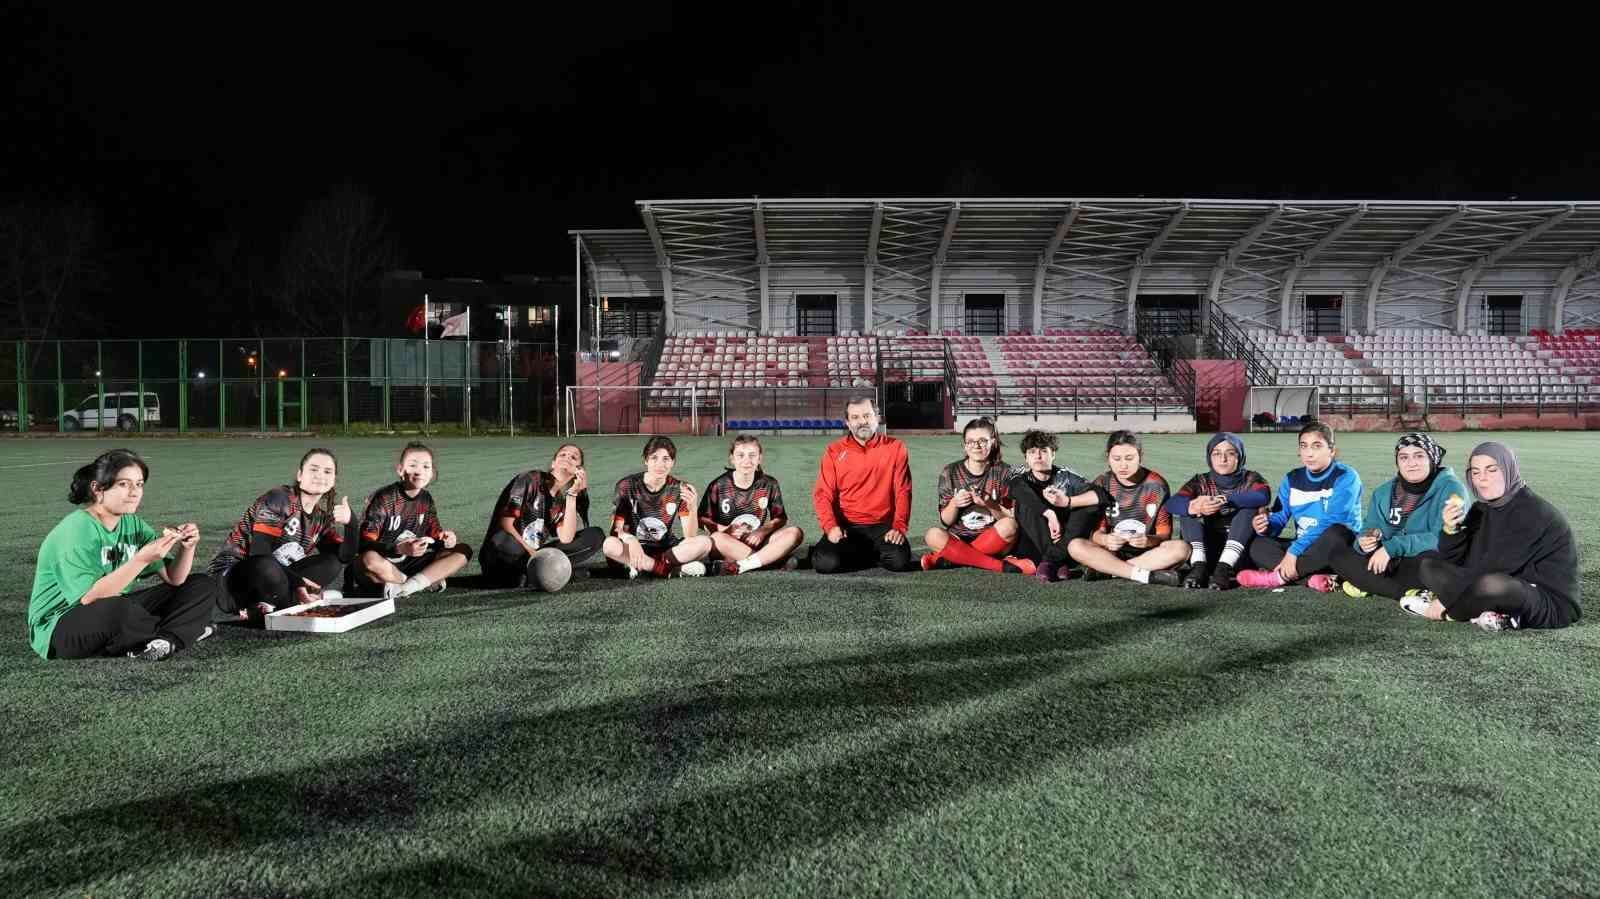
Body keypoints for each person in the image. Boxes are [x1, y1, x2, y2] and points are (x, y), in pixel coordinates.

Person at [28, 449, 216, 661]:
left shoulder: (132, 524)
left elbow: (174, 578)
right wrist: (142, 559)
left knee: (201, 584)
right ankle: (183, 631)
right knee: (121, 611)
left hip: (114, 606)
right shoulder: (76, 530)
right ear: (97, 488)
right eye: (123, 484)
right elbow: (89, 598)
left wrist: (187, 547)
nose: (134, 492)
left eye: (139, 484)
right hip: (62, 625)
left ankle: (164, 641)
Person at [1402, 441, 1580, 632]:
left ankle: (1450, 613)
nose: (1482, 479)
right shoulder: (1481, 508)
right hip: (1493, 579)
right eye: (1475, 472)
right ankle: (1493, 613)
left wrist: (1446, 602)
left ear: (1508, 470)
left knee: (1493, 585)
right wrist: (1451, 528)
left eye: (1492, 470)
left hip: (1543, 598)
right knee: (1429, 565)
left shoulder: (1534, 512)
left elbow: (1496, 566)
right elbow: (1454, 558)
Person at [207, 448, 353, 621]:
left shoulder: (321, 517)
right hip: (232, 581)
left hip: (276, 580)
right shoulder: (280, 498)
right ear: (300, 475)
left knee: (331, 563)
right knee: (266, 566)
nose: (320, 475)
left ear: (333, 480)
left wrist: (351, 522)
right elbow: (259, 553)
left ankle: (269, 607)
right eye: (314, 469)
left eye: (327, 472)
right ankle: (294, 602)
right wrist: (298, 582)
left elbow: (344, 557)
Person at [1318, 433, 1465, 599]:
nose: (1411, 463)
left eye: (1419, 456)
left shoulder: (1451, 488)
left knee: (1431, 564)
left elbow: (1442, 539)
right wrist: (1366, 540)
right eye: (1404, 457)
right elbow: (1369, 527)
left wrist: (1391, 548)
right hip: (1388, 561)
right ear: (1398, 462)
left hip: (1423, 560)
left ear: (1432, 459)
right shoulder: (1383, 492)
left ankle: (1367, 583)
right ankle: (1409, 594)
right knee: (1339, 556)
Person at [1236, 421, 1363, 590]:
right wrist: (1265, 526)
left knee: (1338, 533)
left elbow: (1334, 520)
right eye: (1304, 446)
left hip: (1336, 548)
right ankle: (1311, 579)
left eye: (1316, 446)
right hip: (1306, 550)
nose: (1309, 453)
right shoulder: (1292, 478)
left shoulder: (1346, 476)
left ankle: (1278, 577)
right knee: (1258, 545)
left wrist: (1294, 551)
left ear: (1332, 451)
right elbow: (1279, 519)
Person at [349, 442, 474, 600]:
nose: (419, 471)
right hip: (385, 563)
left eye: (426, 466)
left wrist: (446, 540)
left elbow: (435, 537)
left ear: (432, 473)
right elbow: (364, 543)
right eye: (413, 465)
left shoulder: (426, 499)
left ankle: (408, 587)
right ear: (400, 470)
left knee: (463, 550)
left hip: (412, 562)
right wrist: (398, 548)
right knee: (368, 560)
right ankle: (422, 581)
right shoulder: (385, 497)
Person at [809, 394, 918, 574]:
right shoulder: (834, 451)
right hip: (846, 526)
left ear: (877, 418)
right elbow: (823, 494)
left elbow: (903, 491)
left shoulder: (896, 447)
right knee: (826, 564)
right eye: (855, 417)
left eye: (867, 415)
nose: (862, 422)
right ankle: (865, 553)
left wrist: (899, 527)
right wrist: (831, 527)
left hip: (882, 526)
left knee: (899, 561)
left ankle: (856, 553)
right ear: (847, 422)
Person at [1068, 430, 1187, 585]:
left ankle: (1108, 570)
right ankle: (1145, 575)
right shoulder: (1102, 483)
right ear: (1108, 457)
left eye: (1129, 458)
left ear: (1140, 456)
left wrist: (1148, 541)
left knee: (1181, 549)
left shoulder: (1157, 485)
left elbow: (1164, 535)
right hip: (1110, 552)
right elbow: (1096, 533)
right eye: (1116, 459)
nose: (1123, 465)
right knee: (1075, 546)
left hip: (1148, 554)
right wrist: (1106, 539)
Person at [480, 442, 605, 587]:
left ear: (579, 470)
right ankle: (546, 572)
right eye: (562, 454)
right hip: (501, 554)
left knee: (595, 535)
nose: (567, 458)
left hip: (529, 556)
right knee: (510, 544)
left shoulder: (561, 501)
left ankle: (533, 573)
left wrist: (572, 495)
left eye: (573, 457)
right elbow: (505, 524)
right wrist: (534, 553)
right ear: (553, 463)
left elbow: (566, 538)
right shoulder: (529, 479)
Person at [920, 417, 1034, 574]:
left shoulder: (1004, 472)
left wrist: (989, 503)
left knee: (1010, 526)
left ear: (993, 442)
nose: (976, 446)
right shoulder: (950, 471)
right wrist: (954, 503)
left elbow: (1011, 518)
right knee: (932, 535)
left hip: (993, 537)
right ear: (964, 445)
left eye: (982, 441)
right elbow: (946, 521)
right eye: (971, 441)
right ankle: (998, 565)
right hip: (958, 537)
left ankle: (950, 558)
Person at [1165, 432, 1271, 590]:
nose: (1223, 459)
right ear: (1209, 457)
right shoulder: (1200, 481)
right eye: (1216, 454)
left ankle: (1223, 568)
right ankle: (1198, 567)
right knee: (1189, 509)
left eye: (1231, 453)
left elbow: (1262, 496)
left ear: (1240, 457)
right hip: (1207, 551)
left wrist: (1226, 500)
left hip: (1240, 553)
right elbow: (1172, 503)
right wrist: (1195, 506)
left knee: (1249, 508)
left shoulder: (1251, 478)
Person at [1004, 429, 1110, 583]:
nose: (1038, 456)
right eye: (1032, 452)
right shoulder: (1019, 475)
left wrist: (1067, 501)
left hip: (1061, 539)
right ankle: (1058, 562)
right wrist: (1049, 513)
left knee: (1090, 505)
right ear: (1026, 457)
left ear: (1053, 454)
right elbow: (1015, 487)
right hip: (1031, 540)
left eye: (1043, 451)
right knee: (1025, 502)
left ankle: (1051, 560)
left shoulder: (1065, 475)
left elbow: (1101, 495)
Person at [602, 436, 713, 578]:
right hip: (633, 548)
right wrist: (630, 539)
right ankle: (669, 570)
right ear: (646, 460)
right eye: (654, 458)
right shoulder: (627, 485)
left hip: (665, 550)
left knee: (705, 542)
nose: (660, 464)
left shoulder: (680, 488)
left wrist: (692, 507)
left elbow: (690, 536)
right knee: (609, 544)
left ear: (673, 462)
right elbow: (616, 530)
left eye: (666, 459)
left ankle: (647, 566)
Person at [699, 435, 805, 574]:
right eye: (740, 455)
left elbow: (780, 518)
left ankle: (743, 565)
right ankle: (772, 560)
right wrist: (726, 529)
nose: (747, 461)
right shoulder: (718, 485)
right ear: (732, 459)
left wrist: (762, 531)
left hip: (756, 540)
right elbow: (702, 519)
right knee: (716, 539)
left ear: (760, 458)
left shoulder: (769, 484)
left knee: (795, 533)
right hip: (728, 543)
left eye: (752, 455)